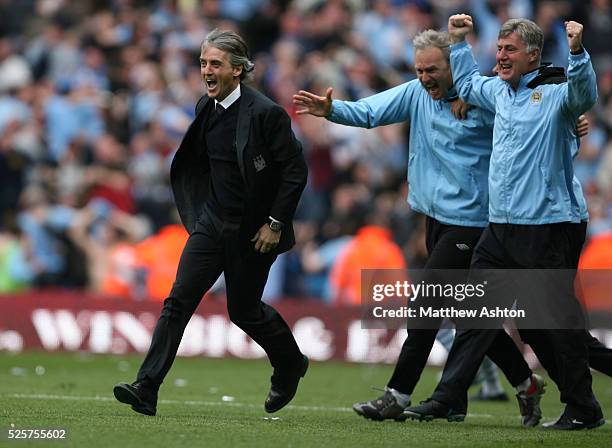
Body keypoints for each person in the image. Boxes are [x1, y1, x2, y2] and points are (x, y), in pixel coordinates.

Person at [293, 29, 546, 426]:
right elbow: (371, 112)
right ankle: (522, 384)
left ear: (455, 66)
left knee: (425, 304)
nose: (425, 77)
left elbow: (532, 121)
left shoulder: (486, 99)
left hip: (474, 223)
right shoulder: (415, 93)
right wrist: (332, 110)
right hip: (435, 220)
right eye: (420, 69)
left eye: (433, 69)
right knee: (467, 315)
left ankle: (398, 392)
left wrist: (572, 123)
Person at [404, 15, 605, 431]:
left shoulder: (556, 93)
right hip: (501, 227)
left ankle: (583, 407)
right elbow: (469, 83)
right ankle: (447, 396)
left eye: (509, 50)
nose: (500, 57)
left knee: (554, 325)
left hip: (548, 225)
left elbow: (583, 95)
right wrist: (459, 42)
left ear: (533, 54)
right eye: (497, 49)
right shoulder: (498, 91)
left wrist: (578, 52)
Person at [113, 29, 309, 416]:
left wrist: (274, 223)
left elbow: (294, 171)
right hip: (211, 222)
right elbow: (197, 162)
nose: (206, 70)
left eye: (215, 63)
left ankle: (289, 362)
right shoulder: (206, 106)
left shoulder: (266, 114)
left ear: (238, 70)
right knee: (177, 301)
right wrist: (199, 209)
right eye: (203, 62)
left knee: (244, 311)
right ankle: (146, 387)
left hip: (253, 232)